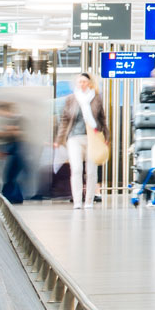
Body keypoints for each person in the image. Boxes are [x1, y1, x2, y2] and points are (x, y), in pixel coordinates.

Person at [54, 72, 108, 210]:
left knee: (91, 171)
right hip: (74, 138)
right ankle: (77, 201)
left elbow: (102, 119)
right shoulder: (71, 99)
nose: (82, 84)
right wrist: (59, 139)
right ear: (77, 84)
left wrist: (106, 137)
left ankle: (89, 200)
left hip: (92, 138)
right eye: (80, 82)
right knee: (77, 169)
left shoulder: (96, 99)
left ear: (89, 83)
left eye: (85, 81)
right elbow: (65, 120)